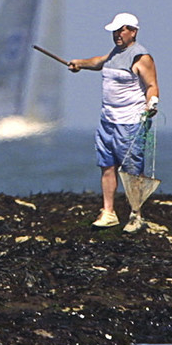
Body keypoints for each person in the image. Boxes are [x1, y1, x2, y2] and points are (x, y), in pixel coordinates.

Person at [68, 14, 159, 232]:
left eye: (122, 30)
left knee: (132, 170)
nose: (117, 35)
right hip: (107, 120)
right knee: (107, 167)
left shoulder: (140, 57)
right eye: (115, 31)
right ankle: (108, 212)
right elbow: (99, 62)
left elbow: (152, 85)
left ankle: (136, 215)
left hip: (130, 123)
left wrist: (152, 103)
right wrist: (80, 64)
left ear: (133, 31)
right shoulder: (115, 54)